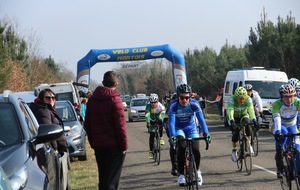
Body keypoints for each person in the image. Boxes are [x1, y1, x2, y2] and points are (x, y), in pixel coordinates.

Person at [84, 71, 128, 190]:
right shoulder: (115, 100)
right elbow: (120, 126)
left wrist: (93, 143)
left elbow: (87, 124)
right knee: (111, 182)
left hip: (99, 145)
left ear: (103, 83)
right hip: (114, 147)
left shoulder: (92, 100)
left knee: (103, 180)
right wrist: (124, 146)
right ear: (116, 84)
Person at [168, 84, 211, 187]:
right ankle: (181, 174)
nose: (185, 100)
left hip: (191, 128)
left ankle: (198, 172)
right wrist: (173, 136)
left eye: (187, 97)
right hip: (179, 129)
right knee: (182, 147)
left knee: (196, 149)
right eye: (182, 97)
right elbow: (171, 123)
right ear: (178, 96)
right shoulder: (173, 105)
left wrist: (206, 133)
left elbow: (201, 120)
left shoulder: (194, 104)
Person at [272, 84, 300, 178]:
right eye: (286, 97)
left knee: (297, 150)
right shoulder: (277, 104)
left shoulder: (297, 102)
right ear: (281, 97)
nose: (289, 99)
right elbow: (277, 119)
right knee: (283, 133)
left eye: (291, 96)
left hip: (292, 125)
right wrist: (278, 131)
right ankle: (280, 163)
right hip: (280, 126)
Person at [30, 89, 68, 155]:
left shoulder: (49, 110)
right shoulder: (43, 111)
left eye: (53, 98)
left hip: (59, 150)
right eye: (47, 98)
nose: (51, 100)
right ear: (41, 99)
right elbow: (49, 133)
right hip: (54, 152)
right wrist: (55, 149)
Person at [227, 86, 258, 162]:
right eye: (240, 99)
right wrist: (232, 121)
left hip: (244, 115)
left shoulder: (248, 99)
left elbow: (251, 110)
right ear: (236, 97)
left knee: (248, 125)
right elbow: (230, 111)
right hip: (234, 117)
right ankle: (234, 151)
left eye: (243, 98)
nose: (242, 100)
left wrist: (254, 119)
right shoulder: (232, 99)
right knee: (235, 134)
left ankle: (249, 144)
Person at [145, 93, 166, 159]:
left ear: (157, 101)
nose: (153, 104)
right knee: (151, 135)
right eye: (152, 102)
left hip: (158, 118)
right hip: (151, 119)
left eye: (155, 102)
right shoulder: (148, 106)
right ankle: (151, 151)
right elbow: (147, 115)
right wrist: (148, 123)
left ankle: (161, 137)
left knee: (160, 122)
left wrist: (160, 118)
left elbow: (163, 114)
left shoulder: (160, 106)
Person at [163, 93, 178, 176]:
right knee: (173, 146)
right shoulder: (170, 107)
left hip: (184, 128)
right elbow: (165, 121)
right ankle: (174, 166)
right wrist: (169, 133)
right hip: (173, 129)